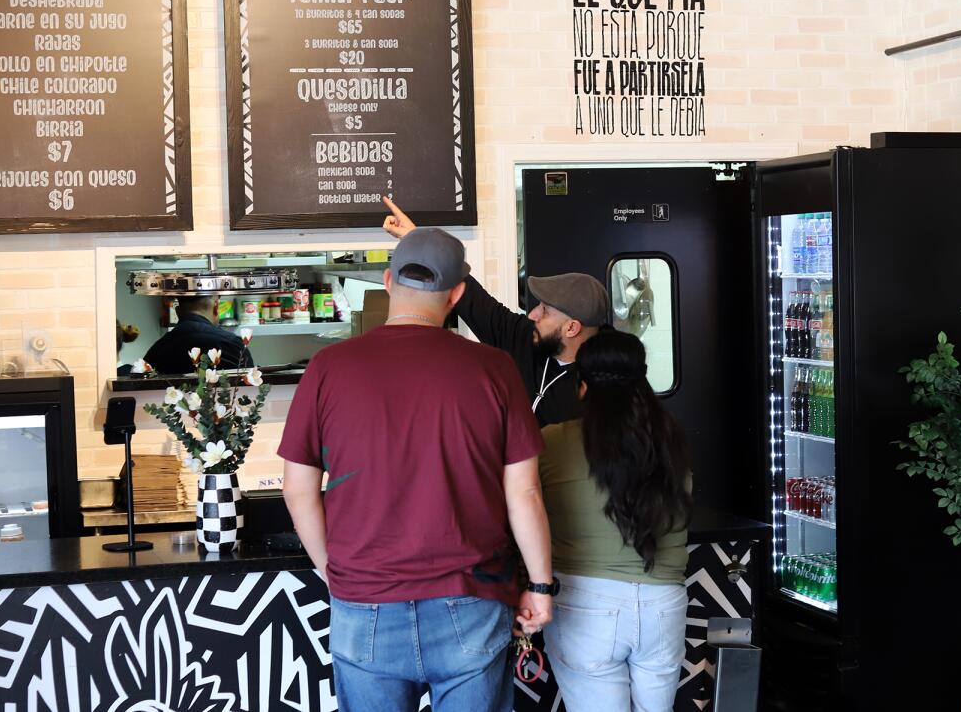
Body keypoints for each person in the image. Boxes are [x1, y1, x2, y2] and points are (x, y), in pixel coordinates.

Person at [278, 227, 555, 712]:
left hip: (364, 601)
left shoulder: (328, 367)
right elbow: (524, 493)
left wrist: (332, 570)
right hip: (471, 600)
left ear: (387, 281)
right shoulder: (495, 368)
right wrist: (540, 585)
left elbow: (298, 489)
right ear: (457, 294)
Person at [539, 330, 693, 712]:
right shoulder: (671, 440)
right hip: (664, 602)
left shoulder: (552, 442)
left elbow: (524, 513)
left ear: (582, 386)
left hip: (585, 603)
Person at [382, 196, 608, 426]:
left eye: (545, 311)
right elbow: (478, 304)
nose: (532, 315)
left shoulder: (603, 390)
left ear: (571, 328)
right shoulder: (526, 338)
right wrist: (417, 243)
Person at [142, 295, 253, 374]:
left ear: (177, 311)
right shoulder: (234, 345)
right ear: (216, 308)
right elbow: (252, 389)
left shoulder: (157, 350)